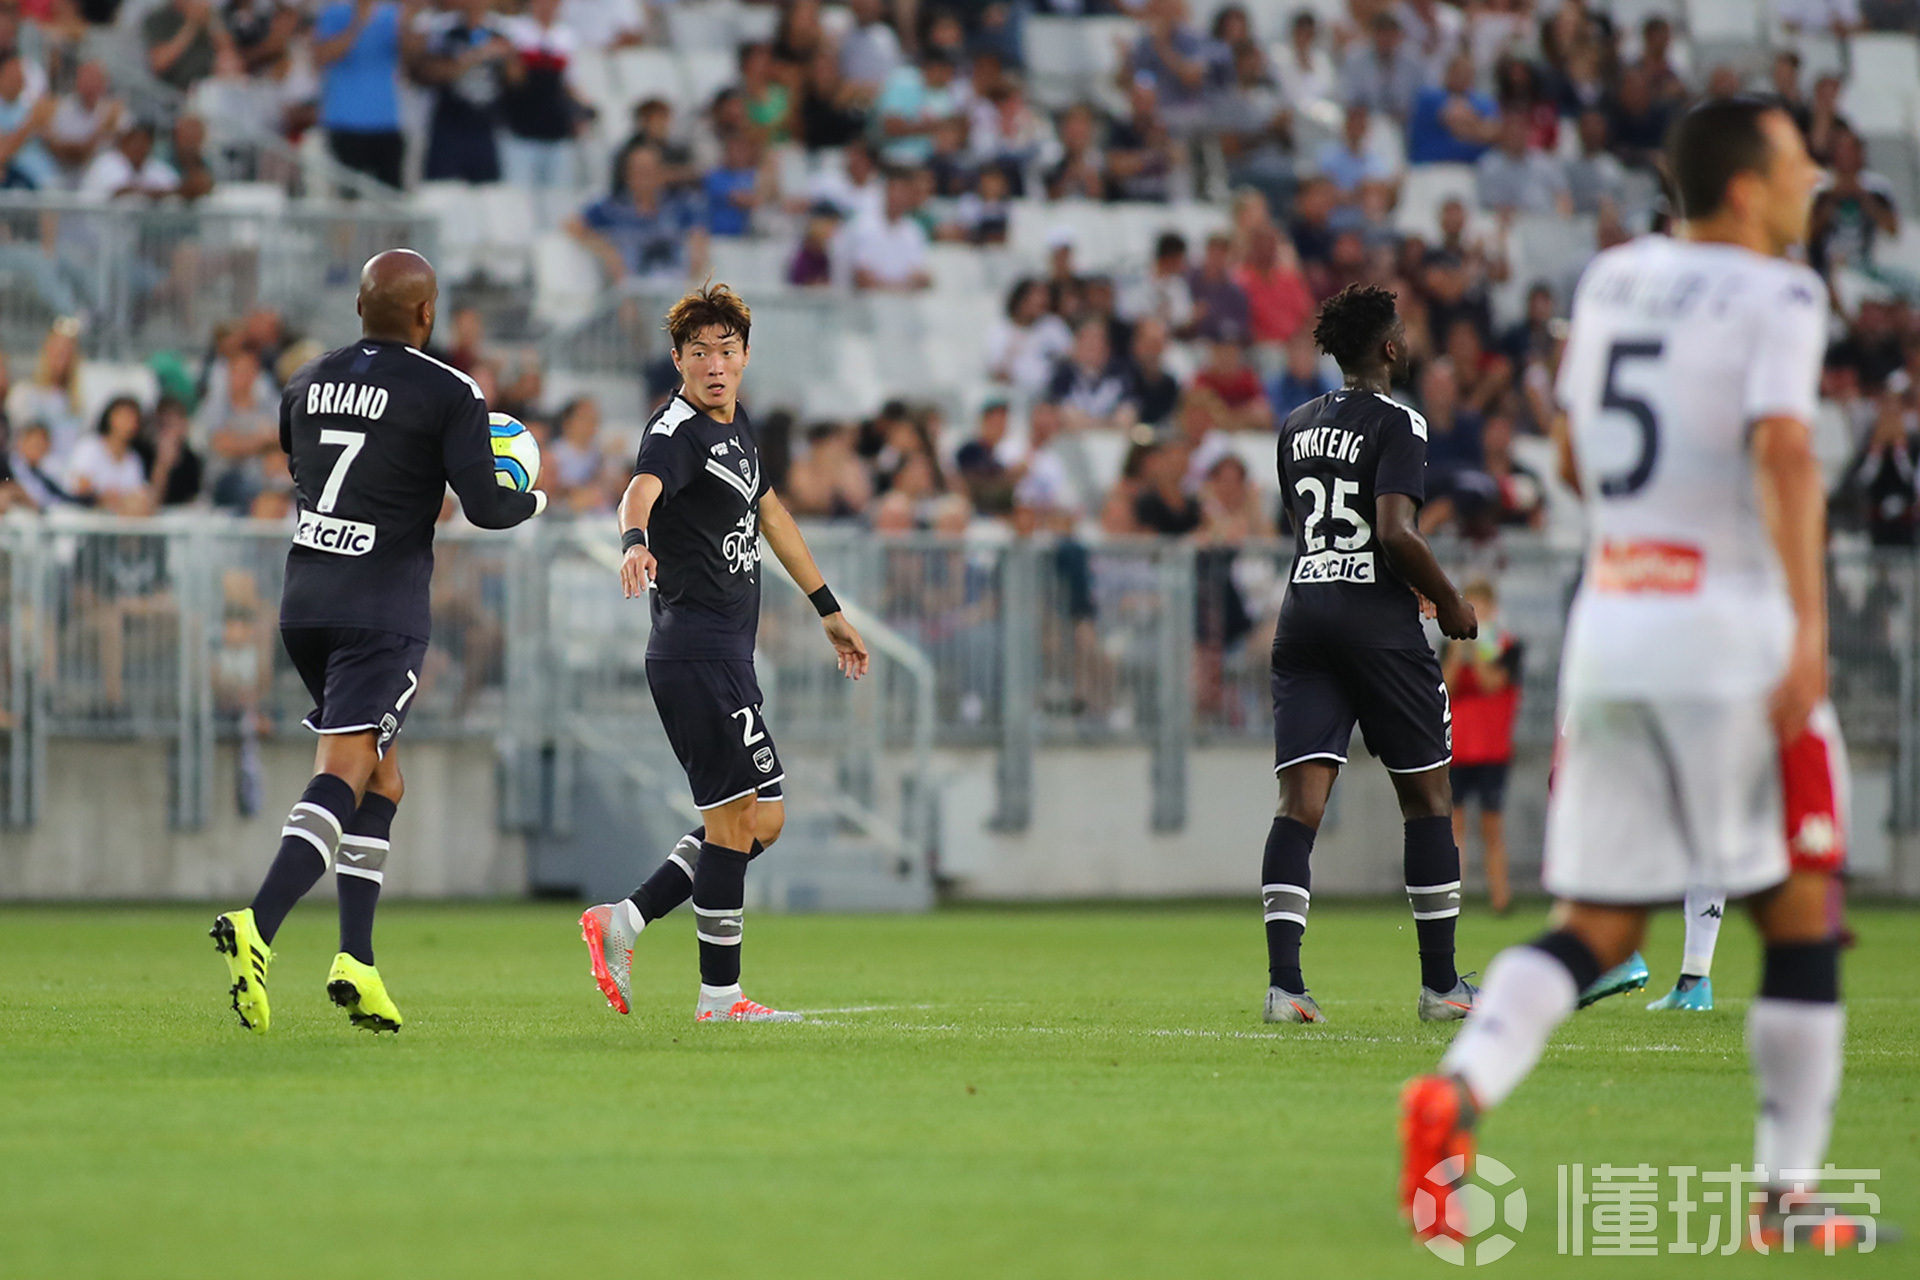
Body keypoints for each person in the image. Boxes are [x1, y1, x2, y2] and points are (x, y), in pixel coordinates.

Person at [1399, 100, 1866, 1255]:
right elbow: (1786, 450)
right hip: (1732, 635)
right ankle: (1787, 1197)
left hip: (1614, 631)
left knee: (1599, 922)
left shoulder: (1612, 280)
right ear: (1746, 188)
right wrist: (1809, 626)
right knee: (1802, 913)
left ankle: (1457, 1087)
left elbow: (1571, 450)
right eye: (1797, 163)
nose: (1813, 180)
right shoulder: (1781, 294)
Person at [209, 250, 547, 1037]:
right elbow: (486, 508)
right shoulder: (451, 391)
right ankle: (258, 923)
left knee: (383, 781)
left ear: (361, 308)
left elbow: (306, 462)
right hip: (381, 610)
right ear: (427, 315)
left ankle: (356, 962)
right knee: (344, 770)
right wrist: (533, 498)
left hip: (305, 604)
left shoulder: (305, 380)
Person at [580, 284, 870, 1024]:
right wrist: (634, 542)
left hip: (723, 655)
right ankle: (719, 997)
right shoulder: (674, 430)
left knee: (756, 820)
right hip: (696, 653)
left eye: (727, 350)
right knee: (741, 820)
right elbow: (639, 491)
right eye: (700, 352)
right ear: (678, 359)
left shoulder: (736, 422)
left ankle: (626, 920)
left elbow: (771, 515)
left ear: (745, 356)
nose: (715, 364)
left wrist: (829, 610)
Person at [1263, 284, 1480, 1026]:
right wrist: (1448, 598)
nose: (1409, 340)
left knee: (1299, 805)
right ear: (1388, 347)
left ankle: (1286, 989)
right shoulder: (1400, 419)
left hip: (1304, 617)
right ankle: (1442, 986)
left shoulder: (1295, 424)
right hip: (1377, 628)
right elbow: (1392, 531)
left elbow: (1308, 526)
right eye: (1403, 332)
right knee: (1428, 799)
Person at [1443, 580, 1521, 915]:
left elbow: (1492, 683)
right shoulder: (1449, 646)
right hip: (1457, 749)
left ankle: (1500, 899)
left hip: (1492, 750)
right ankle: (1451, 900)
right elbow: (1444, 687)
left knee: (1492, 828)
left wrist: (1475, 649)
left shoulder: (1507, 647)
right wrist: (1456, 651)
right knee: (1454, 828)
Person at [313, 0, 412, 190]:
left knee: (390, 199)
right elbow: (322, 57)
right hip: (344, 124)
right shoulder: (334, 12)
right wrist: (359, 22)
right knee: (346, 198)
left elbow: (411, 61)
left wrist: (408, 23)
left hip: (387, 123)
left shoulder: (394, 14)